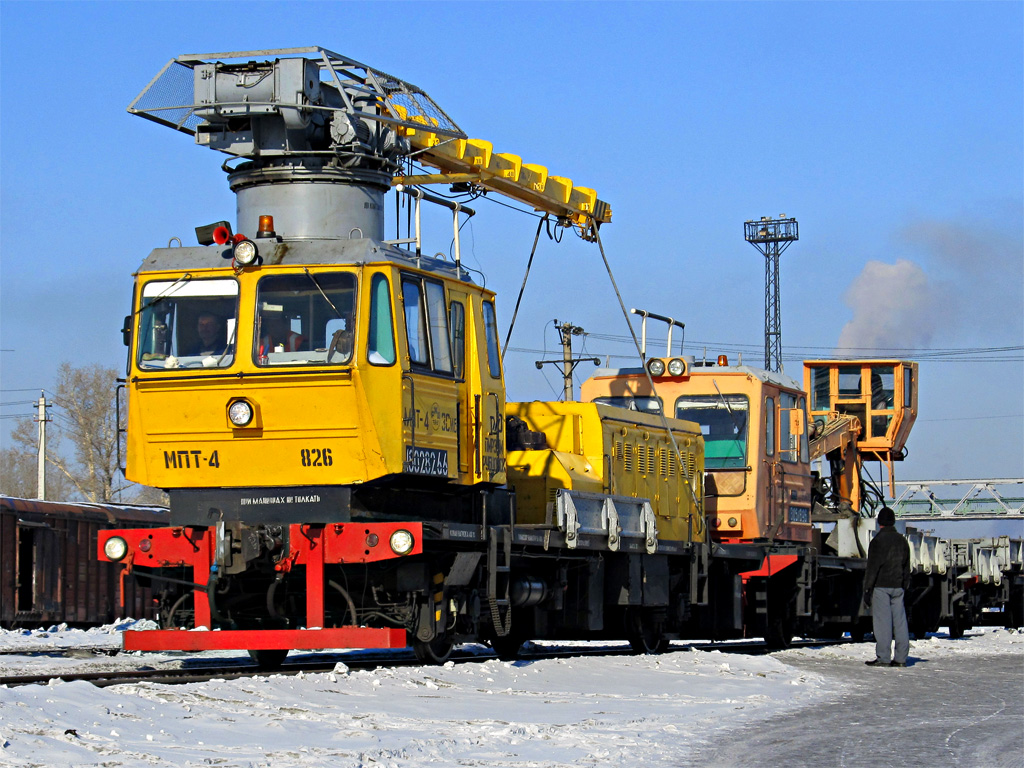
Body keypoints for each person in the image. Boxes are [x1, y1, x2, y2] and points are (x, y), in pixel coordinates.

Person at [863, 506, 911, 667]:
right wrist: (905, 585)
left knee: (883, 623)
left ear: (880, 523)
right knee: (900, 623)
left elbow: (872, 568)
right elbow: (906, 566)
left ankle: (883, 657)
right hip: (898, 586)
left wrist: (867, 589)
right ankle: (901, 659)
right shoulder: (902, 541)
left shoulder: (877, 541)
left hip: (881, 586)